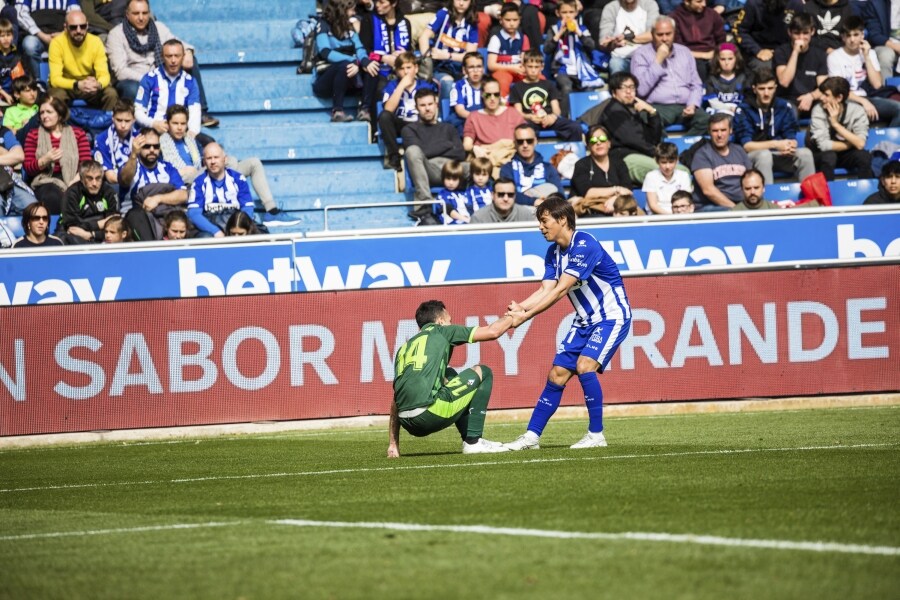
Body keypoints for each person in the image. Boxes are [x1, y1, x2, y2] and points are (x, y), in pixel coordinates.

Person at [504, 194, 632, 451]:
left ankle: (596, 435)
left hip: (611, 317)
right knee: (557, 374)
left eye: (544, 221)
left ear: (562, 219)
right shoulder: (553, 252)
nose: (540, 227)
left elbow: (561, 291)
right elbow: (545, 289)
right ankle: (531, 437)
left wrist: (525, 317)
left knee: (585, 366)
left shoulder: (584, 244)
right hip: (585, 321)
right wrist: (522, 307)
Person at [387, 299, 515, 457]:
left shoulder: (404, 348)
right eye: (450, 320)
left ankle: (469, 439)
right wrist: (512, 315)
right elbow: (493, 331)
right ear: (440, 321)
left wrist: (393, 443)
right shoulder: (442, 331)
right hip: (428, 415)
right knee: (484, 372)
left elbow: (395, 399)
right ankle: (473, 442)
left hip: (408, 423)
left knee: (450, 375)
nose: (451, 323)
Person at [106, 0, 218, 127]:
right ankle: (146, 123)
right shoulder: (116, 34)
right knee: (132, 88)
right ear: (127, 14)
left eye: (145, 13)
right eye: (136, 13)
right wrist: (149, 79)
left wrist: (188, 51)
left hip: (161, 74)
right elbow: (120, 71)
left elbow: (176, 43)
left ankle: (200, 113)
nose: (141, 18)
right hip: (134, 79)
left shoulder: (158, 27)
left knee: (190, 60)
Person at [733, 67, 816, 185]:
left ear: (775, 88)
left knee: (805, 154)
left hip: (779, 154)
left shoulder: (784, 106)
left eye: (770, 88)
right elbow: (747, 146)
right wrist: (776, 144)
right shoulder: (744, 109)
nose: (766, 93)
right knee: (764, 155)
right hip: (752, 157)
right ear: (754, 89)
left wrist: (791, 145)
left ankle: (811, 199)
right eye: (762, 89)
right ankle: (768, 201)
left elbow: (791, 136)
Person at [630, 16, 709, 135]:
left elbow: (696, 84)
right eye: (660, 35)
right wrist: (658, 60)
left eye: (668, 34)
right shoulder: (640, 54)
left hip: (685, 106)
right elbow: (641, 90)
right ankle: (666, 151)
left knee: (707, 120)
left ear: (674, 34)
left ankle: (686, 150)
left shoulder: (685, 52)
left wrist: (692, 104)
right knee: (647, 119)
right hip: (657, 107)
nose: (664, 38)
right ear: (652, 34)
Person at [402, 87, 467, 221]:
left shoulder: (449, 128)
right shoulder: (409, 129)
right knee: (412, 151)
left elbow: (460, 153)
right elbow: (419, 153)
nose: (427, 108)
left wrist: (431, 150)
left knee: (478, 165)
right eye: (423, 105)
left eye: (430, 104)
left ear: (436, 104)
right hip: (430, 171)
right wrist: (447, 145)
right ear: (416, 108)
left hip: (453, 169)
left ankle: (476, 201)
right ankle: (426, 203)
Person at [23, 96, 92, 214]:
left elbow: (86, 165)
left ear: (60, 115)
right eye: (42, 113)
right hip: (45, 181)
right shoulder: (33, 135)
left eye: (49, 112)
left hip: (74, 180)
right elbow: (28, 168)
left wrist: (72, 185)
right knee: (51, 196)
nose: (44, 116)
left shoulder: (78, 134)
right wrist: (45, 160)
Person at [828, 16, 900, 128]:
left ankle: (890, 144)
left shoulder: (869, 53)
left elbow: (877, 85)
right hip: (845, 101)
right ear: (843, 37)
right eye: (848, 35)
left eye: (856, 35)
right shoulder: (834, 57)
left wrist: (866, 57)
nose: (852, 40)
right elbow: (839, 91)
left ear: (862, 35)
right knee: (857, 112)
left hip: (868, 97)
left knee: (898, 109)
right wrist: (863, 102)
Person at [312, 0, 377, 123]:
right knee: (344, 66)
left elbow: (359, 49)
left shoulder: (349, 26)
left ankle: (365, 109)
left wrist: (364, 62)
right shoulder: (323, 24)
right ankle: (337, 111)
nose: (354, 13)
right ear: (342, 10)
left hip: (349, 77)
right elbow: (325, 52)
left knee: (372, 66)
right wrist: (353, 61)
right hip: (325, 80)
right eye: (351, 10)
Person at [48, 9, 118, 111]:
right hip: (67, 86)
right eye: (73, 27)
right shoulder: (56, 43)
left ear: (87, 26)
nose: (79, 30)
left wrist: (98, 84)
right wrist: (77, 84)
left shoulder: (96, 42)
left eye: (82, 26)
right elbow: (55, 80)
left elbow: (104, 75)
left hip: (91, 86)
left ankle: (106, 125)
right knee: (56, 96)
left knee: (111, 94)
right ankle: (61, 126)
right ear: (65, 27)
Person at [600, 71, 663, 184]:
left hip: (638, 155)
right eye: (623, 88)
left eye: (632, 87)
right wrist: (657, 153)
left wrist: (652, 112)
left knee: (678, 172)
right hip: (624, 158)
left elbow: (653, 138)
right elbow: (634, 140)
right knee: (674, 173)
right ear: (614, 92)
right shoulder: (614, 111)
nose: (629, 91)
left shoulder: (632, 110)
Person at [378, 51, 437, 170]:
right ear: (397, 71)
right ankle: (394, 158)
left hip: (420, 124)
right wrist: (401, 86)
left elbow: (432, 109)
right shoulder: (392, 85)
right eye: (401, 68)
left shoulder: (425, 85)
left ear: (416, 68)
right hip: (401, 124)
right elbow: (388, 109)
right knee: (384, 116)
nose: (405, 72)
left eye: (409, 67)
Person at [806, 76, 873, 180]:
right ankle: (825, 195)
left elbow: (860, 144)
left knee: (864, 156)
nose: (821, 98)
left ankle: (867, 193)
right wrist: (850, 143)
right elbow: (823, 145)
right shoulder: (818, 110)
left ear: (839, 98)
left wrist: (835, 124)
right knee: (829, 156)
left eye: (826, 95)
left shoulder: (857, 111)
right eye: (822, 93)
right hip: (821, 155)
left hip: (845, 155)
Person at [544, 0, 603, 116]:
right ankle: (564, 118)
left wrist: (579, 33)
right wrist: (559, 34)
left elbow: (591, 46)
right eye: (564, 12)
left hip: (581, 69)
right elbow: (547, 49)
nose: (568, 15)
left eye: (571, 12)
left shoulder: (582, 29)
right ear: (558, 13)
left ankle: (586, 118)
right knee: (566, 87)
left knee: (589, 88)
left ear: (576, 13)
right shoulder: (554, 29)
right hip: (562, 69)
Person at [509, 49, 583, 141]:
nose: (533, 70)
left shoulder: (549, 84)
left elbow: (556, 109)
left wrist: (552, 117)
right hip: (531, 121)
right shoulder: (517, 87)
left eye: (536, 67)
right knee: (524, 130)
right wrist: (531, 117)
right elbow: (518, 112)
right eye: (530, 66)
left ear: (542, 67)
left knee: (575, 127)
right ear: (523, 66)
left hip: (549, 118)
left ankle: (574, 152)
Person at [186, 142, 256, 238]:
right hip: (210, 226)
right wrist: (215, 231)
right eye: (209, 158)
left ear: (225, 159)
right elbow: (193, 214)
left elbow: (248, 208)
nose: (213, 161)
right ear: (204, 162)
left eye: (216, 157)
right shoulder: (199, 182)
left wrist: (237, 227)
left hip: (235, 223)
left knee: (260, 234)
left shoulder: (238, 179)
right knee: (205, 238)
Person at [134, 39, 202, 135]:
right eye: (169, 56)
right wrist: (153, 123)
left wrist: (193, 132)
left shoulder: (190, 81)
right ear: (162, 57)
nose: (173, 60)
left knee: (212, 148)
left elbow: (195, 110)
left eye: (177, 56)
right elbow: (138, 111)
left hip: (180, 133)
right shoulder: (149, 79)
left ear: (183, 57)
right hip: (154, 131)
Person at [358, 0, 412, 119]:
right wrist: (383, 58)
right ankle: (374, 126)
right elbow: (363, 50)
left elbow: (410, 51)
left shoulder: (405, 22)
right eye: (377, 1)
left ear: (393, 3)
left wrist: (404, 55)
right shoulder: (368, 19)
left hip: (401, 70)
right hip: (378, 71)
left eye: (382, 2)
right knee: (379, 89)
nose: (377, 5)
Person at [463, 78, 525, 176]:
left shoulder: (513, 113)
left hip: (510, 159)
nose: (492, 98)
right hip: (485, 161)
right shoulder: (474, 116)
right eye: (488, 95)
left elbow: (524, 138)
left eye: (496, 94)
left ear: (500, 95)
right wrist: (475, 148)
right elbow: (467, 144)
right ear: (482, 95)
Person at [118, 127, 187, 213]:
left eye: (156, 146)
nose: (152, 150)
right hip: (134, 216)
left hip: (164, 215)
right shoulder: (130, 166)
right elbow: (124, 180)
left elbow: (183, 195)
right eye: (147, 146)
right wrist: (133, 154)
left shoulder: (168, 167)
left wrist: (158, 199)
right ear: (139, 147)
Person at [569, 124, 632, 217]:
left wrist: (615, 199)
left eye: (602, 139)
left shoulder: (619, 163)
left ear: (609, 143)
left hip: (617, 207)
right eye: (593, 140)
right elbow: (588, 193)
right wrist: (616, 189)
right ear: (589, 146)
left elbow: (628, 190)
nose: (598, 143)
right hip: (591, 211)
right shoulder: (581, 165)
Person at [418, 0, 477, 99]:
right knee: (448, 82)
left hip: (461, 69)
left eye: (466, 0)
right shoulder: (443, 14)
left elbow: (470, 56)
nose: (461, 3)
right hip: (440, 67)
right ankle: (443, 113)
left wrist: (448, 56)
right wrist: (427, 57)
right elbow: (423, 38)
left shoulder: (472, 21)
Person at [692, 113, 752, 210]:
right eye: (715, 131)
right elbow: (708, 190)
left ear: (730, 130)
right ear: (709, 132)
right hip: (714, 206)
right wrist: (736, 209)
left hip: (741, 204)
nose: (719, 135)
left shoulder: (739, 150)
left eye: (723, 130)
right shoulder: (702, 155)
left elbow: (751, 179)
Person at [774, 12, 827, 117]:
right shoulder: (781, 52)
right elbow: (784, 81)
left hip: (812, 98)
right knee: (789, 112)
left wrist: (811, 96)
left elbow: (824, 87)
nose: (801, 37)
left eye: (805, 33)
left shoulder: (820, 54)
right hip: (788, 100)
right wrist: (795, 52)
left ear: (812, 32)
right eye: (797, 33)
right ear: (789, 33)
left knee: (829, 108)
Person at [498, 123, 564, 206]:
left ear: (535, 141)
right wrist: (535, 201)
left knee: (552, 188)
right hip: (517, 214)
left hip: (544, 213)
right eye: (520, 141)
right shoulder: (507, 169)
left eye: (529, 141)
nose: (525, 145)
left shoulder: (548, 168)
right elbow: (507, 195)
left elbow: (560, 196)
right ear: (515, 143)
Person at [15, 0, 81, 82]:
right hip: (37, 35)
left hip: (63, 35)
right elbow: (20, 13)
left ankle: (68, 81)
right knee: (29, 44)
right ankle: (39, 82)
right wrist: (41, 35)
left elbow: (75, 13)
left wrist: (63, 33)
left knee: (77, 41)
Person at [55, 158, 118, 243]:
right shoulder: (72, 193)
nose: (94, 183)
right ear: (81, 179)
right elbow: (73, 228)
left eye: (98, 178)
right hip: (71, 236)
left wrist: (91, 235)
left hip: (98, 235)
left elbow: (114, 226)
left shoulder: (109, 192)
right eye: (90, 178)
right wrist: (101, 223)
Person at [598, 0, 659, 75]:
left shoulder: (649, 4)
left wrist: (626, 39)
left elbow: (653, 35)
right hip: (621, 58)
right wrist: (613, 43)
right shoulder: (611, 8)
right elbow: (604, 41)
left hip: (645, 57)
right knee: (615, 64)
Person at [485, 3, 530, 99]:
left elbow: (525, 60)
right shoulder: (496, 39)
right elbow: (491, 65)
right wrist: (512, 68)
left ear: (520, 20)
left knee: (538, 77)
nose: (512, 23)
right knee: (502, 80)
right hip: (502, 71)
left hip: (519, 71)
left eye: (515, 20)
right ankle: (503, 107)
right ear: (501, 20)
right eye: (508, 20)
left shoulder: (524, 38)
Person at [734, 0, 791, 71]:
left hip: (786, 50)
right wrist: (757, 50)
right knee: (765, 70)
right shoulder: (753, 3)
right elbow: (739, 30)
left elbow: (801, 30)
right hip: (759, 49)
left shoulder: (795, 3)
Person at [93, 99, 139, 186]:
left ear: (134, 120)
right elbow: (110, 177)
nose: (123, 125)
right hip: (116, 184)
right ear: (113, 118)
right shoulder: (101, 139)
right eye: (119, 120)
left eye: (127, 121)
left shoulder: (140, 137)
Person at [854, 0, 900, 81]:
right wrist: (896, 47)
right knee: (885, 56)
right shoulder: (875, 3)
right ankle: (886, 91)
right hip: (886, 44)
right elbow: (874, 34)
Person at [642, 141, 692, 214]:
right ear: (657, 161)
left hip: (680, 213)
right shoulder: (651, 176)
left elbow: (686, 201)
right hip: (656, 216)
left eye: (671, 162)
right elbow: (653, 205)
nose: (667, 167)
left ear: (677, 160)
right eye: (663, 162)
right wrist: (670, 217)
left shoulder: (683, 175)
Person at [787, 0, 855, 53]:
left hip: (841, 52)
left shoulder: (849, 8)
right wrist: (826, 49)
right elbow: (806, 35)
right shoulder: (809, 7)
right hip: (815, 51)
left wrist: (839, 53)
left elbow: (851, 35)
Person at [704, 43, 747, 115]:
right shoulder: (711, 79)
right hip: (718, 114)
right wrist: (729, 109)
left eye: (730, 59)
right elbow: (713, 102)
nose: (726, 62)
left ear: (736, 59)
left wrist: (737, 109)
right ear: (717, 60)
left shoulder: (743, 78)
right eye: (722, 59)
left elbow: (746, 101)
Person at [469, 175, 533, 223]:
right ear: (492, 195)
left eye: (510, 195)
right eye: (501, 194)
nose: (506, 199)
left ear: (515, 196)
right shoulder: (478, 218)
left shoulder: (526, 215)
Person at [449, 51, 485, 134]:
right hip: (465, 120)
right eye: (471, 67)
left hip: (484, 120)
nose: (475, 71)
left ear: (483, 69)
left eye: (479, 66)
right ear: (464, 70)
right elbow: (460, 111)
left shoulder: (487, 85)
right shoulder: (458, 86)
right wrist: (479, 119)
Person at [433, 159, 470, 224]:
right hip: (451, 227)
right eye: (448, 179)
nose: (451, 183)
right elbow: (450, 211)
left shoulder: (463, 194)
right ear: (443, 178)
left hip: (466, 224)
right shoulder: (441, 195)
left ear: (460, 180)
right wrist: (466, 220)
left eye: (454, 179)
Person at [0, 18, 24, 105]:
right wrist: (5, 95)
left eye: (8, 35)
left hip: (14, 93)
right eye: (2, 36)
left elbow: (21, 78)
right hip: (2, 94)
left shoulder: (17, 55)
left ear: (12, 36)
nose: (6, 39)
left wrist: (18, 93)